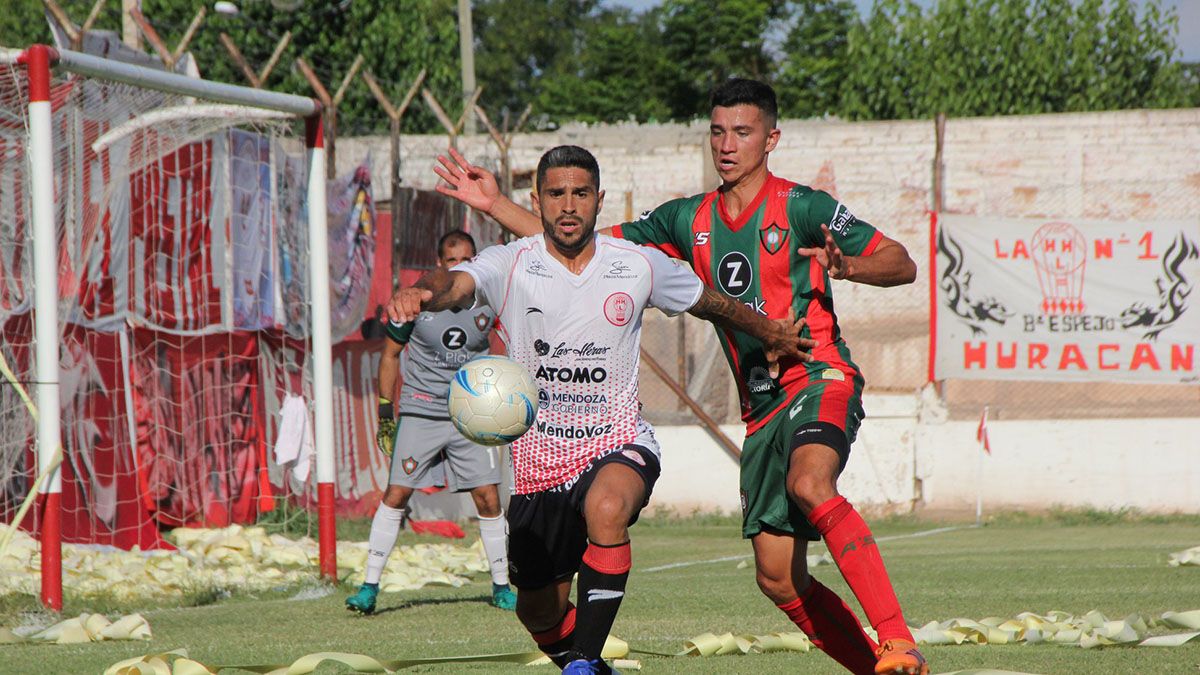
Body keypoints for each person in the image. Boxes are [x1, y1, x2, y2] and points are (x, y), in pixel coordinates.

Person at [430, 79, 928, 675]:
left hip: (819, 376)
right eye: (717, 132)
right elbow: (580, 244)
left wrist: (849, 266)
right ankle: (879, 671)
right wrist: (494, 206)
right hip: (761, 408)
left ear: (771, 139)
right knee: (777, 577)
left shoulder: (803, 207)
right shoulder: (685, 218)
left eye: (742, 132)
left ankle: (896, 641)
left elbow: (901, 262)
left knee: (810, 482)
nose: (727, 145)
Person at [388, 145, 811, 675]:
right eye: (556, 194)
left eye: (581, 193)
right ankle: (584, 663)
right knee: (538, 611)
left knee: (607, 509)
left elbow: (710, 302)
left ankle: (585, 662)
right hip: (539, 464)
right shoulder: (511, 262)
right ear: (536, 201)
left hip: (617, 440)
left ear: (599, 199)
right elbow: (453, 283)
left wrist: (771, 331)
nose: (568, 205)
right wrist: (419, 292)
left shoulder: (636, 264)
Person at [346, 230, 516, 615]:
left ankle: (502, 587)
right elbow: (390, 356)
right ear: (440, 264)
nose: (460, 266)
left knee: (488, 498)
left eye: (467, 259)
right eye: (452, 260)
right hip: (421, 411)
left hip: (472, 416)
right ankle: (368, 588)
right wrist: (385, 412)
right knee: (396, 494)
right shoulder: (416, 302)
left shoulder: (488, 300)